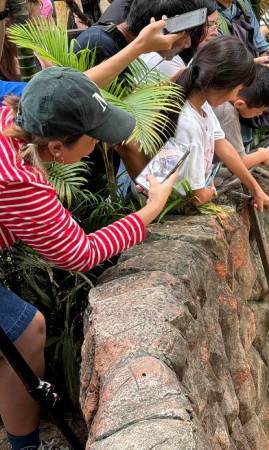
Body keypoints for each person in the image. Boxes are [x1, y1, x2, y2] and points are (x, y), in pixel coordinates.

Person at [0, 19, 185, 450]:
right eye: (94, 138)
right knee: (26, 330)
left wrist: (138, 46)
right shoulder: (19, 180)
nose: (101, 144)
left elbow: (65, 92)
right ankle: (26, 447)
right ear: (57, 150)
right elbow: (81, 253)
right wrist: (152, 209)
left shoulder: (16, 109)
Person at [164, 35, 269, 209]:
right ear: (223, 84)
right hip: (171, 207)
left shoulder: (203, 106)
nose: (236, 96)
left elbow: (223, 145)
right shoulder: (188, 123)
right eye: (238, 89)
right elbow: (197, 197)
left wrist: (255, 188)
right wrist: (212, 190)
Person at [75, 0, 205, 64]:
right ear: (159, 28)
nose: (188, 44)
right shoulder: (99, 46)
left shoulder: (118, 44)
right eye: (185, 35)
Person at [224, 64, 269, 166]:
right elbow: (240, 162)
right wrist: (263, 155)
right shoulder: (228, 114)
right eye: (259, 111)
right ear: (240, 104)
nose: (260, 114)